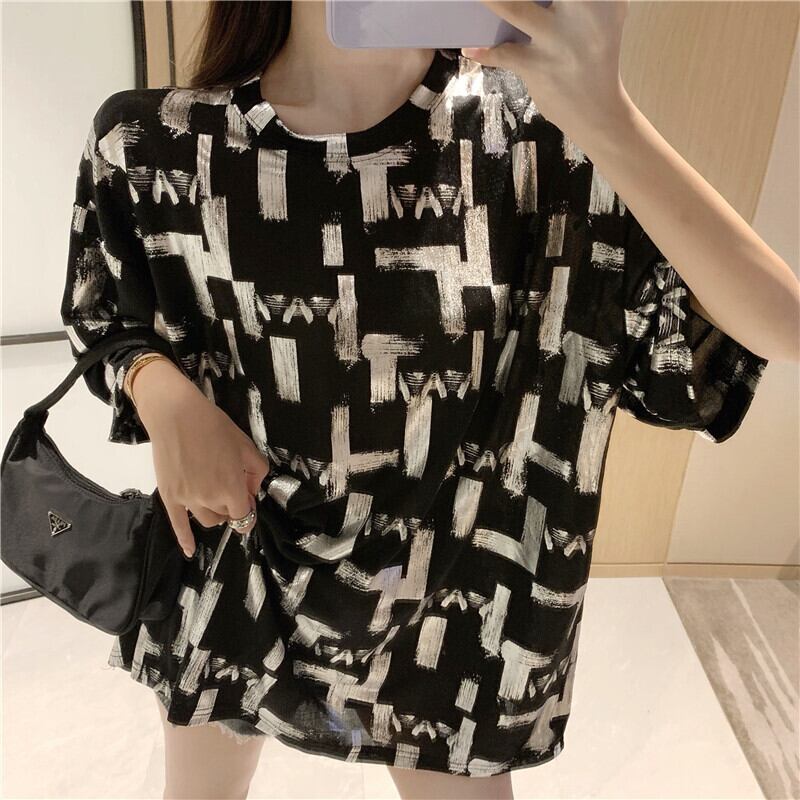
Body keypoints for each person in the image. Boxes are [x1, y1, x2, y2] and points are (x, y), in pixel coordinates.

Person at [58, 1, 798, 798]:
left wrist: (609, 118)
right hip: (235, 566)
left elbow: (770, 331)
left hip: (448, 610)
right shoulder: (156, 144)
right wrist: (162, 394)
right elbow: (104, 316)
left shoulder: (538, 142)